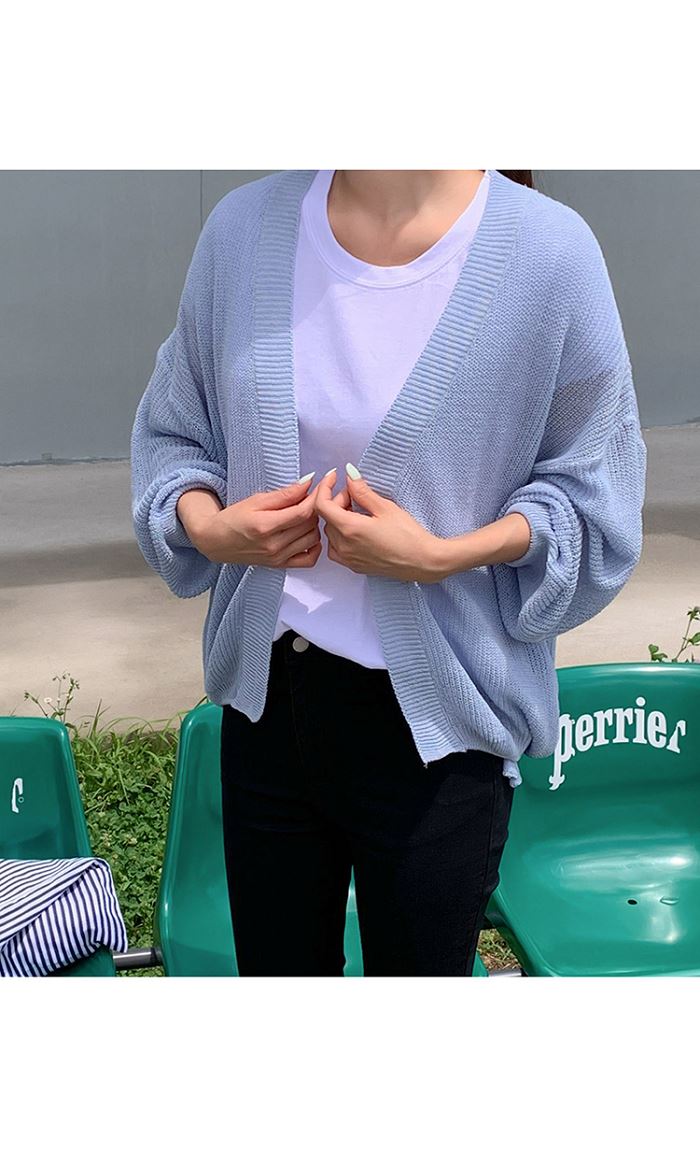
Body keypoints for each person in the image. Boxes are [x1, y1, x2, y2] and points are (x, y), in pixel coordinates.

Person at [130, 169, 647, 976]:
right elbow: (175, 430)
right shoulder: (241, 231)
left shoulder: (550, 254)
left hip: (443, 723)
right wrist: (209, 525)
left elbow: (596, 489)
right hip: (270, 705)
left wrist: (444, 555)